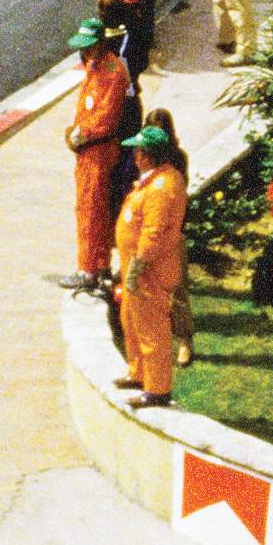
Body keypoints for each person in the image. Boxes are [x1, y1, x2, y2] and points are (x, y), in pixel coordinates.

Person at [107, 121, 190, 406]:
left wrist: (138, 267)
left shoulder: (161, 187)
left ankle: (157, 389)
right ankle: (139, 373)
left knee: (151, 328)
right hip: (136, 268)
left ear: (144, 155)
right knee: (131, 321)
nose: (134, 157)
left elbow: (153, 234)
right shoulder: (155, 181)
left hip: (148, 272)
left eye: (137, 152)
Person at [56, 18, 138, 294]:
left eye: (89, 48)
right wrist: (73, 131)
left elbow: (106, 115)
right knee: (90, 208)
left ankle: (88, 269)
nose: (85, 53)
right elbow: (85, 107)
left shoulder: (113, 71)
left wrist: (83, 133)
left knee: (91, 209)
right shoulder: (94, 66)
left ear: (102, 43)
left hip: (99, 150)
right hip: (87, 149)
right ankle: (98, 263)